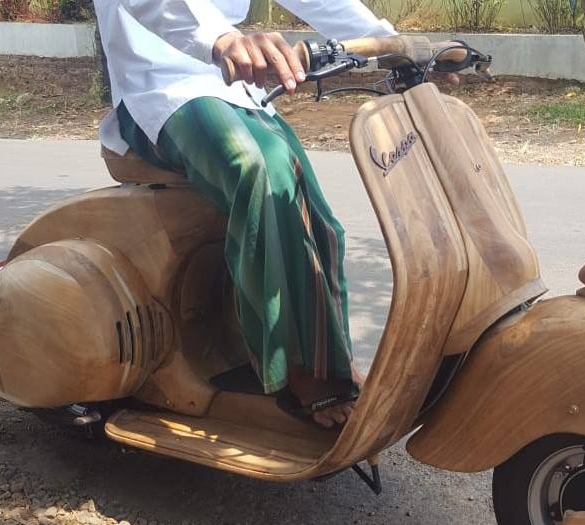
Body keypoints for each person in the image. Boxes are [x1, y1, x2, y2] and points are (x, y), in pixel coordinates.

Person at [93, 0, 398, 427]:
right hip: (158, 86)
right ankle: (291, 365)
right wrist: (221, 39)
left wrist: (391, 42)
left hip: (234, 86)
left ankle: (332, 359)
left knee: (316, 215)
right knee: (258, 168)